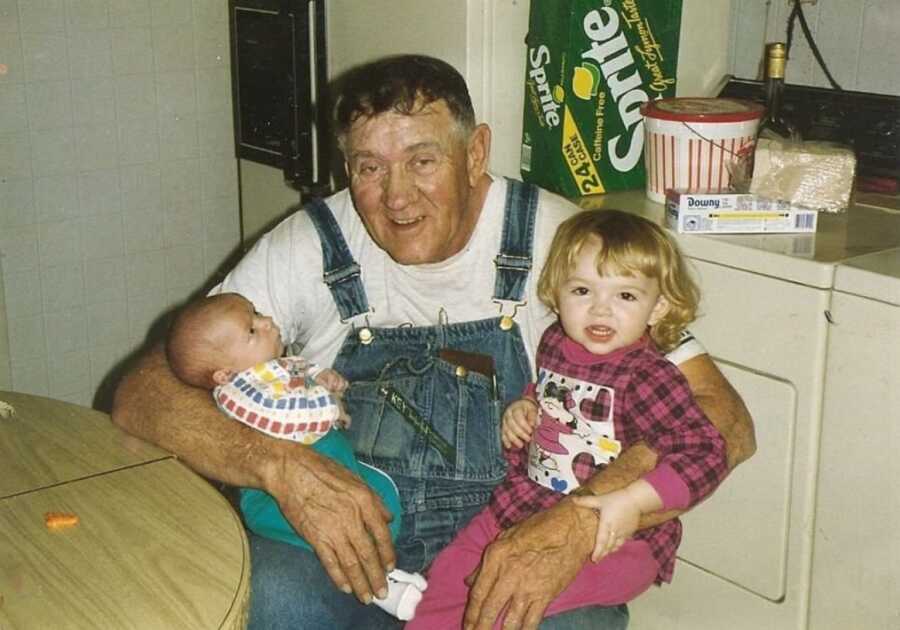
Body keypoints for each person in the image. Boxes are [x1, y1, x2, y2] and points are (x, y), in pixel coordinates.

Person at [111, 54, 756, 630]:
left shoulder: (565, 243)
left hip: (511, 529)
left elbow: (726, 425)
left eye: (423, 161)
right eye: (370, 168)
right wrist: (282, 470)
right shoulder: (309, 243)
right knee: (271, 602)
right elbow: (141, 396)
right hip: (342, 542)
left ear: (476, 153)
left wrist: (583, 518)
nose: (396, 197)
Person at [408, 209, 729, 628]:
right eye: (582, 290)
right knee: (448, 580)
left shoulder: (648, 376)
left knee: (512, 605)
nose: (601, 310)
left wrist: (633, 501)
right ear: (556, 293)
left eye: (626, 296)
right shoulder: (556, 342)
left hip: (618, 540)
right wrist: (524, 410)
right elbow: (550, 395)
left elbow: (707, 451)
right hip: (523, 505)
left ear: (658, 308)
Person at [165, 292, 427, 620]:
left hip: (332, 461)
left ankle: (391, 570)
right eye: (252, 330)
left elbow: (300, 370)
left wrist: (321, 378)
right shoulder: (238, 393)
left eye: (257, 313)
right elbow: (277, 415)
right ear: (225, 374)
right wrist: (327, 405)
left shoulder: (267, 369)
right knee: (333, 538)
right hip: (277, 503)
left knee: (379, 498)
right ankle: (381, 586)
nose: (267, 322)